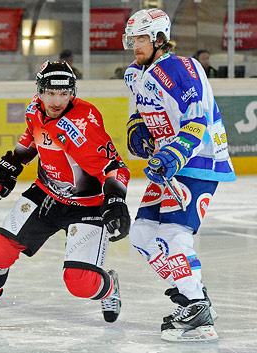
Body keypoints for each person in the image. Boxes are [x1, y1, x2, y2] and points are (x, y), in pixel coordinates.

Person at [0, 61, 131, 327]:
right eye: (50, 93)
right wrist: (13, 163)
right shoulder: (34, 107)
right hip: (46, 194)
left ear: (72, 93)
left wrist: (115, 201)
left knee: (80, 283)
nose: (57, 100)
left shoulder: (83, 125)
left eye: (64, 93)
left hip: (87, 205)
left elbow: (115, 167)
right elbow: (33, 137)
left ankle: (109, 285)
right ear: (40, 91)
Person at [122, 8, 236, 342]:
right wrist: (137, 129)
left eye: (141, 39)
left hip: (199, 160)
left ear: (159, 38)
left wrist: (172, 153)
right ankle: (191, 295)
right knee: (142, 234)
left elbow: (196, 119)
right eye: (132, 39)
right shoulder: (134, 73)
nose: (134, 46)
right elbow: (139, 110)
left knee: (174, 231)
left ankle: (196, 305)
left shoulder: (182, 68)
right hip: (167, 164)